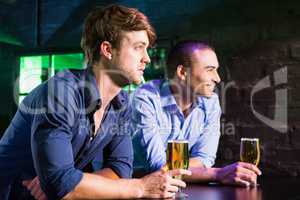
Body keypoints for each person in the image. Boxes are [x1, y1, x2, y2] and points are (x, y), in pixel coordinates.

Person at [0, 5, 190, 200]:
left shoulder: (121, 102)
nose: (147, 59)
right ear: (107, 50)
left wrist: (71, 183)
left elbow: (121, 168)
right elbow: (61, 184)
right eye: (138, 48)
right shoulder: (61, 94)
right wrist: (140, 187)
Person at [131, 40, 261, 187]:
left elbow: (204, 158)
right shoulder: (146, 97)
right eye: (209, 69)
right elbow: (156, 166)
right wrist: (218, 174)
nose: (217, 78)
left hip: (177, 188)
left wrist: (175, 167)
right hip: (133, 188)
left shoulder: (210, 101)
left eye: (216, 70)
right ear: (182, 72)